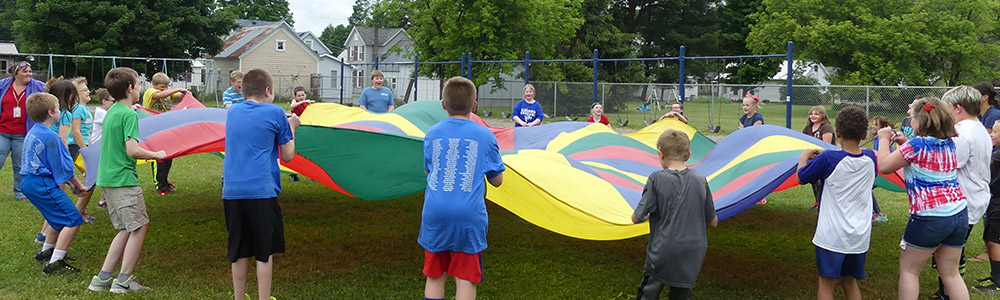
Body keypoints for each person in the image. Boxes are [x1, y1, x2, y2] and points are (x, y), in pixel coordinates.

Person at [875, 97, 969, 300]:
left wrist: (883, 139)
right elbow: (925, 154)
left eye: (912, 118)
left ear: (921, 120)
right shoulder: (949, 143)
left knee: (910, 271)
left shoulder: (916, 145)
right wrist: (905, 144)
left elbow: (884, 166)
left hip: (929, 216)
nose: (911, 122)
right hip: (958, 214)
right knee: (951, 274)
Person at [420, 76, 504, 300]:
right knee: (466, 278)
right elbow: (497, 180)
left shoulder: (432, 133)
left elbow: (429, 172)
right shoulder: (485, 135)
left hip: (435, 213)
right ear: (474, 106)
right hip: (469, 216)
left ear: (443, 104)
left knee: (435, 275)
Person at [88, 67, 167, 293]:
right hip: (123, 179)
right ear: (130, 88)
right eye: (139, 84)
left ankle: (102, 279)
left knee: (125, 227)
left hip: (107, 177)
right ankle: (123, 281)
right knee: (139, 226)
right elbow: (132, 150)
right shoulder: (128, 114)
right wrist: (156, 155)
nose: (141, 87)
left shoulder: (113, 110)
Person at [223, 69, 298, 300]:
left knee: (239, 250)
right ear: (268, 91)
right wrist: (293, 126)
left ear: (243, 90)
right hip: (261, 192)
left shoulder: (233, 111)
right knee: (264, 252)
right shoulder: (276, 113)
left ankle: (238, 297)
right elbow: (287, 155)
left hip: (232, 192)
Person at [797, 106, 876, 300]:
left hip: (832, 235)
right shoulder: (871, 158)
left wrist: (804, 157)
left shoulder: (828, 158)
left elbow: (802, 177)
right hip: (859, 236)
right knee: (850, 281)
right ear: (865, 133)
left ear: (837, 133)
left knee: (826, 284)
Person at [632, 128, 717, 300]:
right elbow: (712, 222)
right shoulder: (701, 180)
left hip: (663, 251)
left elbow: (637, 217)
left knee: (649, 292)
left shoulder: (656, 179)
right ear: (688, 155)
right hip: (692, 251)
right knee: (681, 293)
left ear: (660, 153)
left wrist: (650, 216)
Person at [21, 92, 88, 274]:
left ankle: (46, 250)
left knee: (53, 217)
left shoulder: (33, 131)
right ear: (51, 112)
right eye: (58, 108)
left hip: (28, 183)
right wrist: (76, 185)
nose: (60, 111)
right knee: (73, 219)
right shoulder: (51, 137)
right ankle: (55, 262)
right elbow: (62, 167)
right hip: (42, 184)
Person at [933, 86, 991, 298]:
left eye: (947, 108)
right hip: (975, 198)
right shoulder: (979, 128)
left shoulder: (962, 133)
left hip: (963, 202)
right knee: (955, 252)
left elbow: (948, 163)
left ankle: (949, 293)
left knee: (947, 257)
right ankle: (950, 289)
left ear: (957, 108)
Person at [0, 61, 46, 202]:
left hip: (23, 133)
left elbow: (51, 94)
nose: (29, 74)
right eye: (25, 71)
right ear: (16, 74)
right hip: (2, 131)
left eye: (30, 71)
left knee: (19, 164)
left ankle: (19, 192)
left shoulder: (38, 86)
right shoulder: (3, 85)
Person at [142, 72, 188, 196]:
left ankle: (165, 181)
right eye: (162, 87)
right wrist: (177, 89)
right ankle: (159, 185)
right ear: (154, 85)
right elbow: (159, 95)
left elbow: (177, 96)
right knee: (158, 158)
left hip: (166, 129)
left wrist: (185, 94)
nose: (165, 89)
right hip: (153, 130)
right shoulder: (150, 92)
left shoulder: (167, 93)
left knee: (168, 156)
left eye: (167, 86)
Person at [974, 122, 1000, 293]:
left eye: (995, 132)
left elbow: (984, 161)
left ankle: (998, 284)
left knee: (995, 240)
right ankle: (995, 275)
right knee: (989, 239)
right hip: (994, 200)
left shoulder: (998, 154)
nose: (991, 134)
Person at [66, 77, 96, 223]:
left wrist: (90, 147)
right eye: (84, 90)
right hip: (75, 148)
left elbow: (87, 133)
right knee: (91, 179)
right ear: (75, 95)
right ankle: (77, 213)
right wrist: (85, 150)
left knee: (91, 179)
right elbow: (75, 132)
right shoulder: (77, 109)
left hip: (82, 147)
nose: (88, 91)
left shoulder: (84, 109)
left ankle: (79, 211)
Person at [802, 105, 836, 212]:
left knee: (821, 182)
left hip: (825, 159)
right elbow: (802, 141)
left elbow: (826, 146)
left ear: (823, 115)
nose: (813, 116)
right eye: (811, 114)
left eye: (816, 114)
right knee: (813, 180)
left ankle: (823, 202)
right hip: (813, 158)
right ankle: (817, 201)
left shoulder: (826, 127)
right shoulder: (808, 128)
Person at [91, 88, 113, 208]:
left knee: (106, 173)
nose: (114, 104)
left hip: (103, 147)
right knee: (100, 175)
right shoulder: (101, 113)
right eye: (112, 101)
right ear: (104, 101)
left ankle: (104, 200)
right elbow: (114, 121)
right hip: (99, 149)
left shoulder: (104, 112)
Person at [867, 116, 892, 222]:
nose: (873, 126)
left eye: (876, 124)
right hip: (876, 169)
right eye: (872, 124)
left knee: (865, 188)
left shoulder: (884, 141)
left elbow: (887, 155)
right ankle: (874, 212)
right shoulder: (877, 138)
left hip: (882, 171)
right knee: (865, 188)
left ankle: (878, 213)